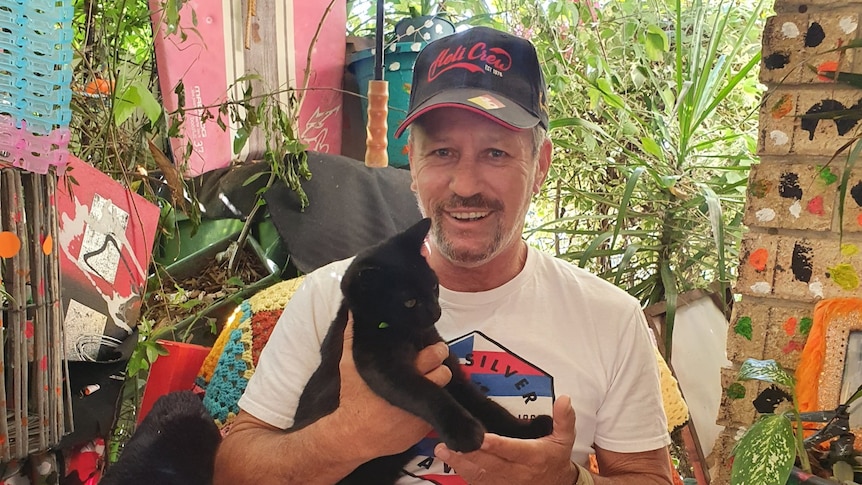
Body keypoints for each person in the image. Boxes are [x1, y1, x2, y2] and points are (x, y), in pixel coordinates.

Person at [214, 26, 673, 485]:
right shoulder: (326, 296)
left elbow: (647, 476)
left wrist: (569, 482)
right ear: (411, 164)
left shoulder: (611, 319)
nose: (465, 185)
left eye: (495, 153)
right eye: (442, 152)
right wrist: (345, 436)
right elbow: (233, 472)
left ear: (540, 166)